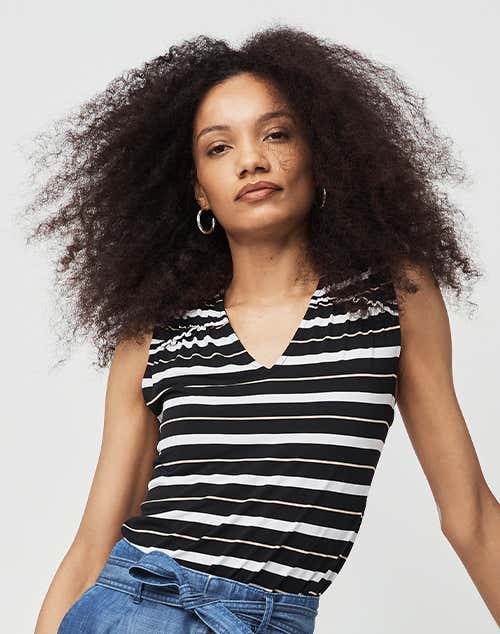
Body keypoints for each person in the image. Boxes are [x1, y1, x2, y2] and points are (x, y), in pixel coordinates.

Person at [26, 25, 499, 634]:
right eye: (218, 148)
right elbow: (92, 543)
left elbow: (470, 516)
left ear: (320, 154)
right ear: (199, 190)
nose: (251, 159)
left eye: (276, 134)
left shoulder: (392, 296)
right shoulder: (157, 332)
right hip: (132, 608)